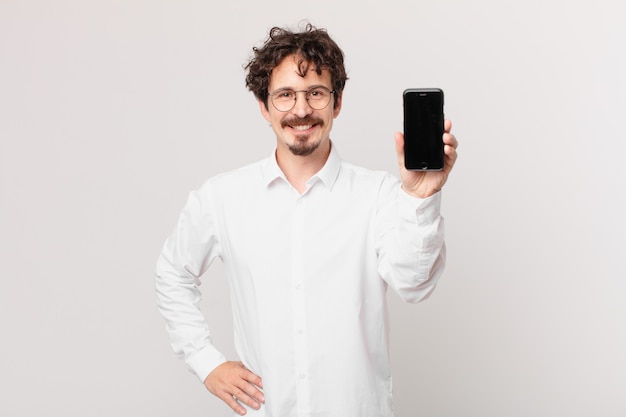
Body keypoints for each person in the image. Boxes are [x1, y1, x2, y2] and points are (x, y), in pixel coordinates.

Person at [155, 23, 458, 417]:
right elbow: (172, 274)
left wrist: (420, 197)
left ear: (337, 103)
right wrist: (205, 362)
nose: (301, 110)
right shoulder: (222, 197)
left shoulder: (380, 195)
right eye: (285, 95)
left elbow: (415, 285)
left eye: (316, 93)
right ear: (264, 107)